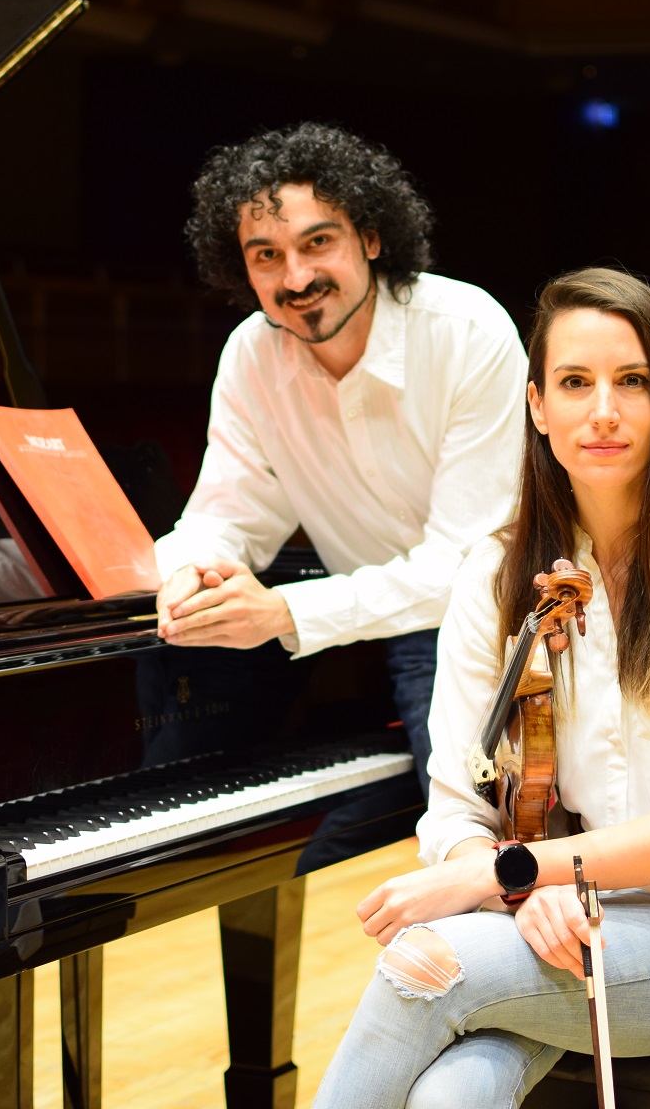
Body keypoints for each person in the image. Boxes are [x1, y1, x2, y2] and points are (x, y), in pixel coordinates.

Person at [312, 269, 650, 1108]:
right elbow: (457, 804)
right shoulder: (496, 572)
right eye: (576, 383)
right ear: (539, 406)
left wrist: (511, 874)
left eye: (633, 382)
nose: (603, 411)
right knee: (452, 1097)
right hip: (552, 912)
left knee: (423, 964)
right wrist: (521, 890)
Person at [151, 123, 527, 796]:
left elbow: (464, 570)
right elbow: (227, 517)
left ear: (371, 238)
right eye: (267, 255)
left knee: (469, 828)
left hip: (487, 630)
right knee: (183, 765)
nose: (295, 278)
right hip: (352, 630)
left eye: (317, 242)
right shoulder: (251, 355)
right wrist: (189, 573)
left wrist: (287, 613)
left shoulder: (468, 332)